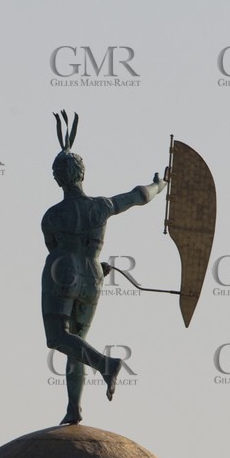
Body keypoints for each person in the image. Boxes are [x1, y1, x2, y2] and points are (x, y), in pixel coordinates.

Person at [42, 112, 167, 425]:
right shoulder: (102, 206)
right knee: (76, 342)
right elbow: (138, 197)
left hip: (62, 271)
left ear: (58, 178)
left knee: (58, 337)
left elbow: (55, 248)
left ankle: (105, 364)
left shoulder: (53, 216)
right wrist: (160, 184)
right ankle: (74, 408)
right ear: (83, 174)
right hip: (93, 275)